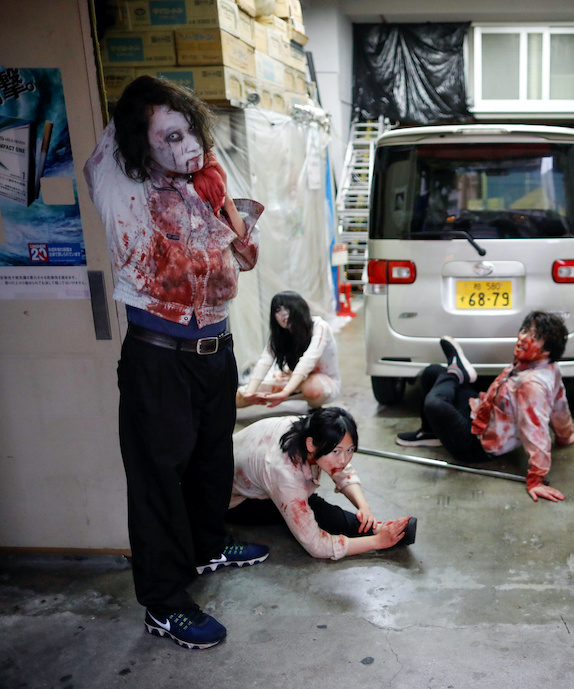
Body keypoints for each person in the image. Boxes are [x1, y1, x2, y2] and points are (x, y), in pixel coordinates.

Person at [84, 75, 269, 650]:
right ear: (138, 142)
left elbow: (246, 256)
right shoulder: (118, 178)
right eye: (166, 137)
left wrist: (219, 194)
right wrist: (142, 110)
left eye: (188, 130)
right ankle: (163, 603)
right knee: (158, 481)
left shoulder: (204, 178)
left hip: (216, 347)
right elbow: (113, 144)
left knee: (213, 458)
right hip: (159, 358)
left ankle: (207, 545)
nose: (183, 145)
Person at [395, 311, 574, 502]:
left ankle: (456, 372)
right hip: (480, 412)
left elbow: (536, 430)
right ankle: (430, 431)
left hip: (475, 445)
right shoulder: (548, 365)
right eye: (525, 330)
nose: (523, 338)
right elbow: (560, 403)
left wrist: (536, 478)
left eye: (534, 336)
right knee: (432, 372)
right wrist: (564, 435)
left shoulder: (531, 385)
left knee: (435, 405)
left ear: (547, 350)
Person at [228, 407, 415, 557]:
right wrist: (377, 543)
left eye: (349, 450)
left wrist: (364, 507)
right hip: (232, 503)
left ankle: (377, 529)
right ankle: (377, 533)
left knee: (312, 501)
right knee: (312, 507)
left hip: (240, 474)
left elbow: (342, 470)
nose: (344, 459)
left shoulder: (313, 428)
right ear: (310, 444)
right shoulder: (285, 473)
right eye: (336, 451)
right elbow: (316, 545)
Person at [237, 291, 341, 409]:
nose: (284, 314)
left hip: (322, 382)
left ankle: (314, 409)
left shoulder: (320, 326)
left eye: (288, 308)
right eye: (278, 310)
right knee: (238, 397)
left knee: (313, 389)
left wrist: (284, 393)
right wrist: (249, 393)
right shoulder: (280, 334)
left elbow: (308, 361)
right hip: (291, 379)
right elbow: (264, 361)